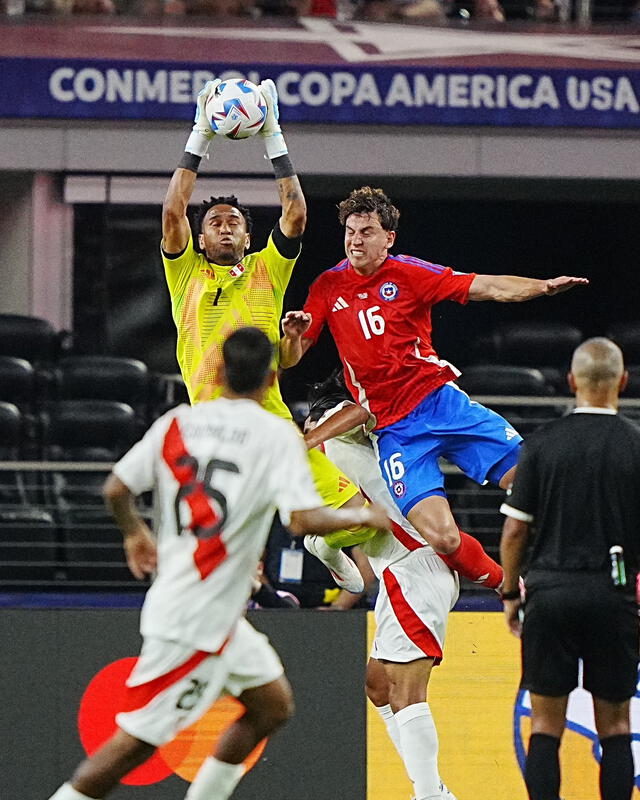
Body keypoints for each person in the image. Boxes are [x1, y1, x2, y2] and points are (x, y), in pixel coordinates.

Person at [46, 327, 390, 800]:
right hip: (196, 620)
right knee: (132, 746)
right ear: (273, 377)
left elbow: (116, 489)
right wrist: (367, 513)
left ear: (220, 370)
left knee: (271, 706)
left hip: (214, 613)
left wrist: (134, 534)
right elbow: (302, 520)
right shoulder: (275, 435)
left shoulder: (177, 424)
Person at [281, 185, 589, 590]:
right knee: (441, 537)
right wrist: (291, 336)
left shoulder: (410, 273)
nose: (355, 241)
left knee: (536, 482)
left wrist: (542, 287)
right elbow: (291, 359)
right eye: (350, 231)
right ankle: (508, 585)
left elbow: (486, 286)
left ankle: (588, 563)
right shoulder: (327, 286)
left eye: (367, 231)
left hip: (442, 404)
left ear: (388, 238)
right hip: (394, 431)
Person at [161, 77, 375, 595]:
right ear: (201, 235)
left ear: (248, 236)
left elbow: (297, 214)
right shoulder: (184, 272)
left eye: (234, 221)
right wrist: (200, 135)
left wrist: (272, 135)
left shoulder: (267, 271)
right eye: (214, 222)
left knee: (362, 516)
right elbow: (172, 213)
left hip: (274, 421)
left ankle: (322, 544)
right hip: (212, 429)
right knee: (216, 560)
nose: (225, 227)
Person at [304, 371, 459, 800]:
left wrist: (311, 436)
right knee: (377, 684)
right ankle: (434, 790)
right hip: (398, 570)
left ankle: (429, 796)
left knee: (408, 693)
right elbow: (361, 524)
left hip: (414, 565)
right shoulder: (334, 463)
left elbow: (364, 409)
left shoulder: (334, 422)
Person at [499, 337, 640, 800]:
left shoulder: (541, 445)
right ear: (622, 381)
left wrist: (510, 594)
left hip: (550, 594)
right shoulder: (635, 445)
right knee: (616, 725)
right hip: (614, 596)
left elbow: (515, 534)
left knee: (544, 724)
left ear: (571, 381)